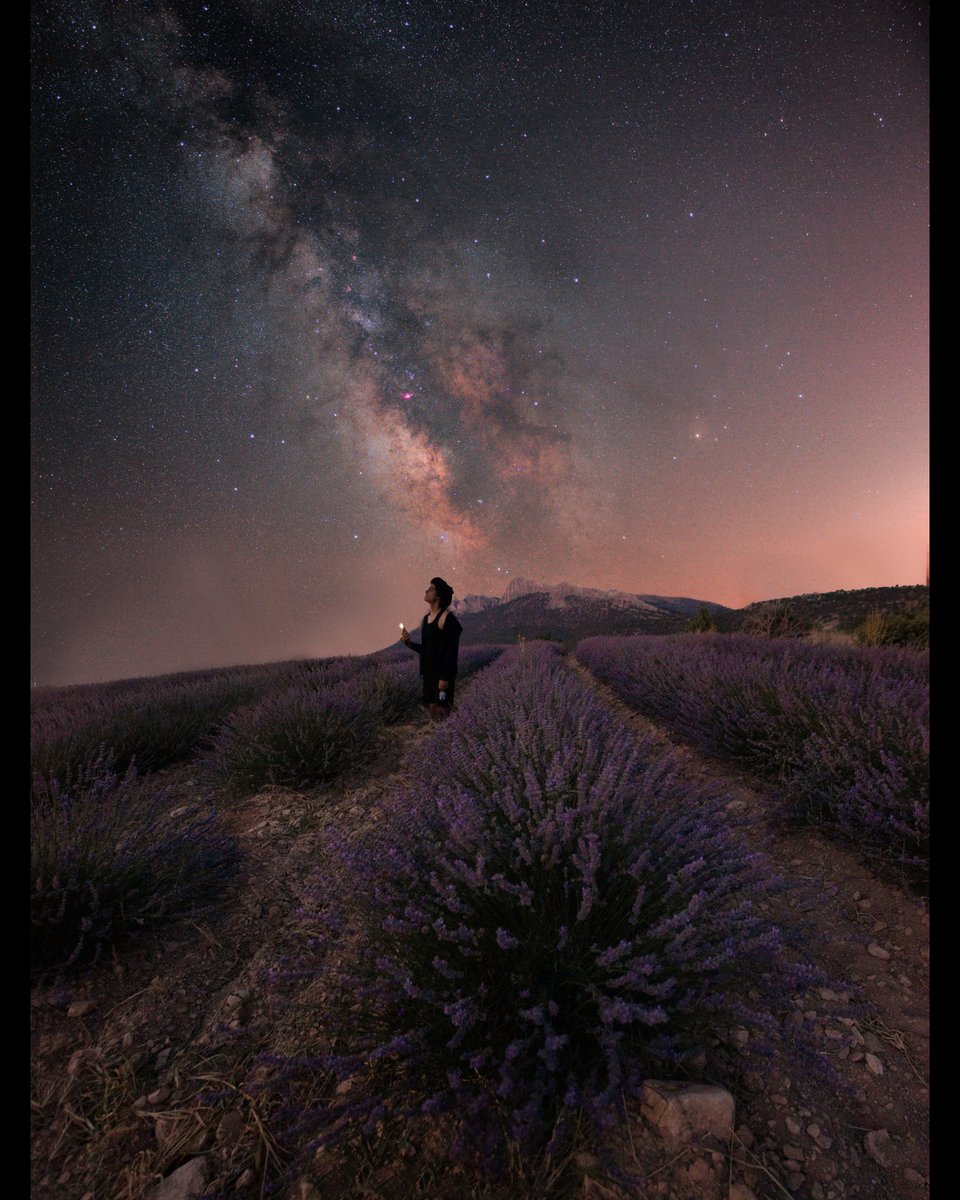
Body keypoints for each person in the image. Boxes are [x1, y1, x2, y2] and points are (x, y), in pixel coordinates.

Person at [400, 576, 463, 721]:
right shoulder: (426, 619)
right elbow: (428, 649)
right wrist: (410, 644)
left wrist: (445, 677)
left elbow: (451, 652)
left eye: (431, 589)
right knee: (432, 708)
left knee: (443, 710)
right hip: (429, 673)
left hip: (441, 675)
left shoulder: (447, 618)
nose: (426, 590)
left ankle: (449, 738)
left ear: (438, 596)